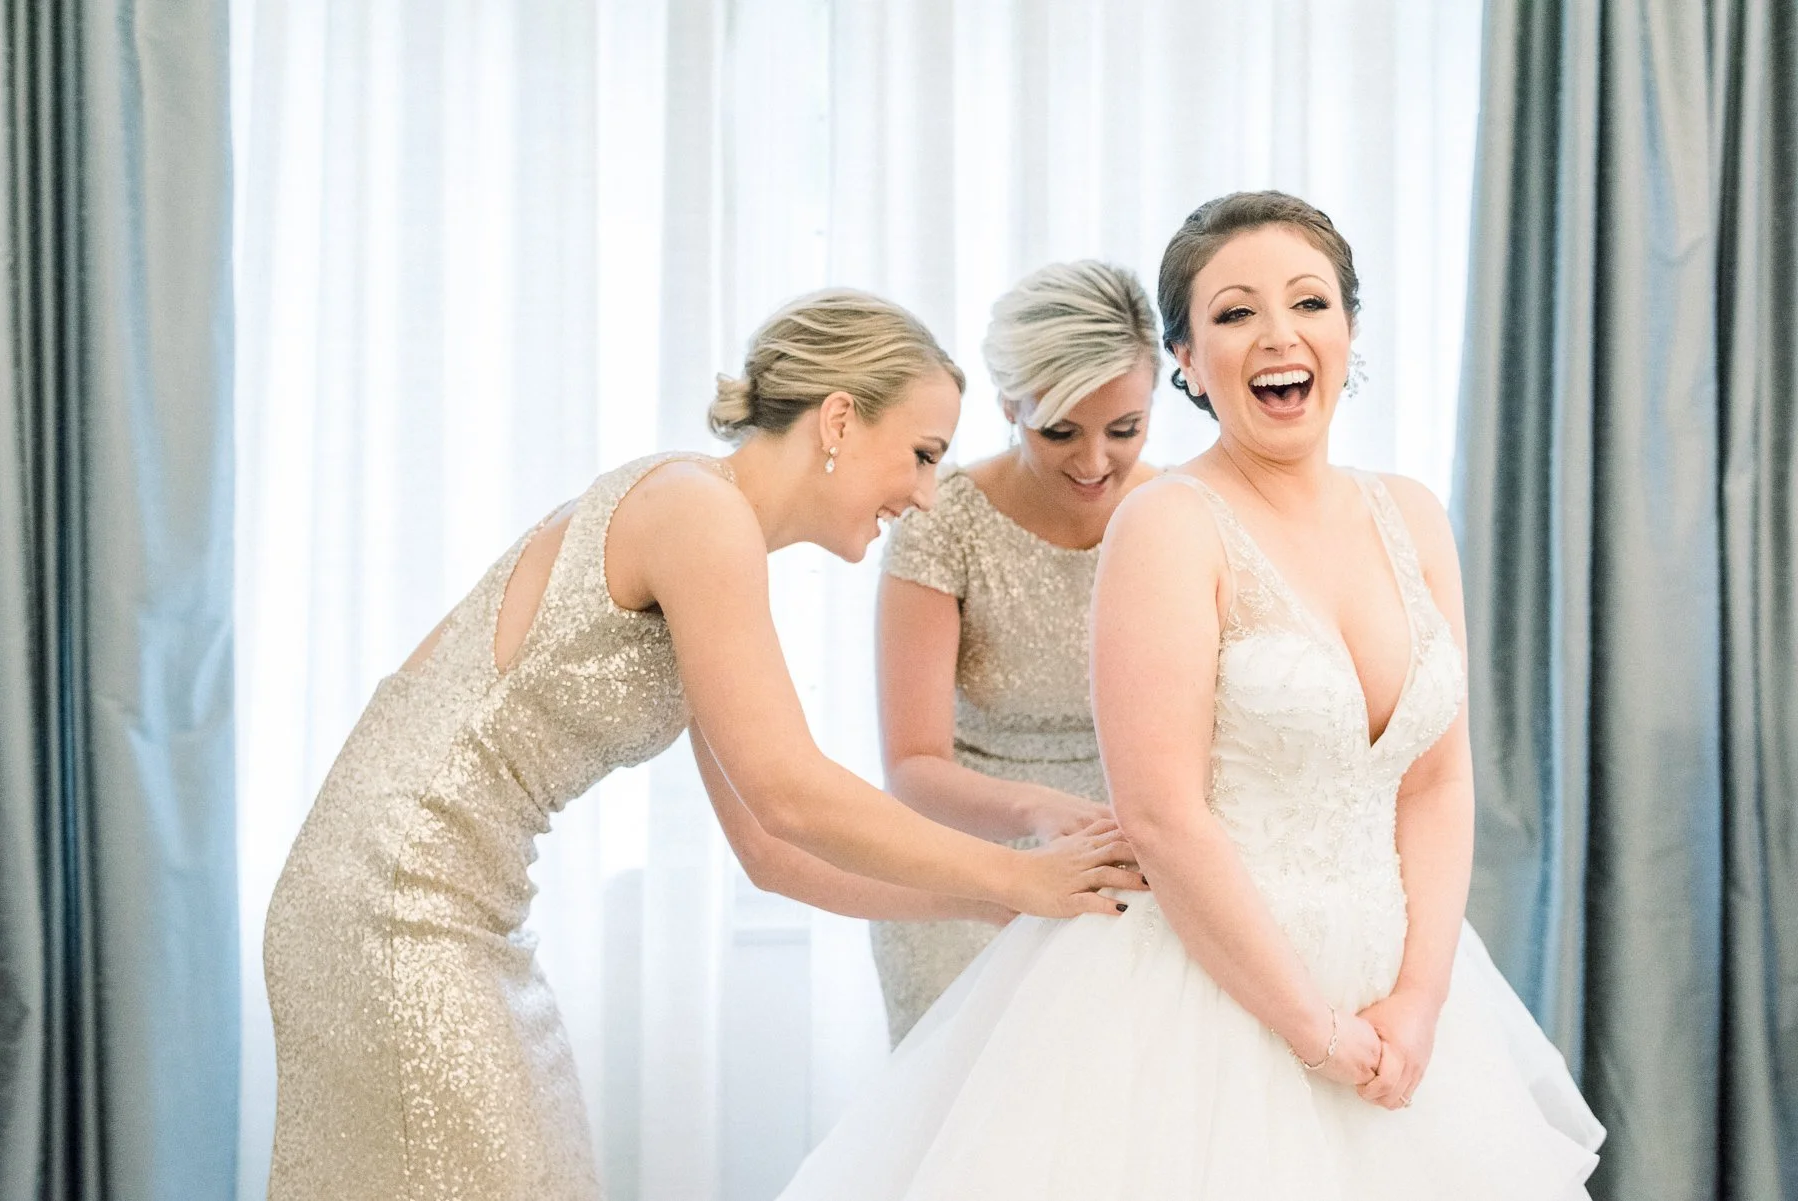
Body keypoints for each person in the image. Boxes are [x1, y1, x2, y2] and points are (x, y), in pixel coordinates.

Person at [775, 195, 1605, 1200]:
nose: (1278, 334)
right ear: (1185, 358)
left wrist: (1420, 999)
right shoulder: (1167, 523)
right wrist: (1312, 1029)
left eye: (1308, 301)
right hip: (1207, 984)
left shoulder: (1415, 517)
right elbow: (1164, 815)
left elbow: (1435, 782)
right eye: (1233, 313)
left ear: (1350, 328)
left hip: (1396, 982)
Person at [261, 289, 1144, 1201]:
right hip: (394, 898)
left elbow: (770, 852)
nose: (924, 495)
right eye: (921, 455)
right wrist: (1015, 874)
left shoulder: (705, 529)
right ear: (839, 418)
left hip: (453, 904)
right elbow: (790, 790)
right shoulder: (695, 510)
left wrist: (985, 905)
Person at [869, 260, 1159, 1042]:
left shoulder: (1179, 517)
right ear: (1008, 404)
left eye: (1124, 430)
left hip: (1138, 869)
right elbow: (913, 765)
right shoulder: (944, 523)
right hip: (967, 878)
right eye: (1059, 430)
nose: (1094, 462)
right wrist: (1037, 811)